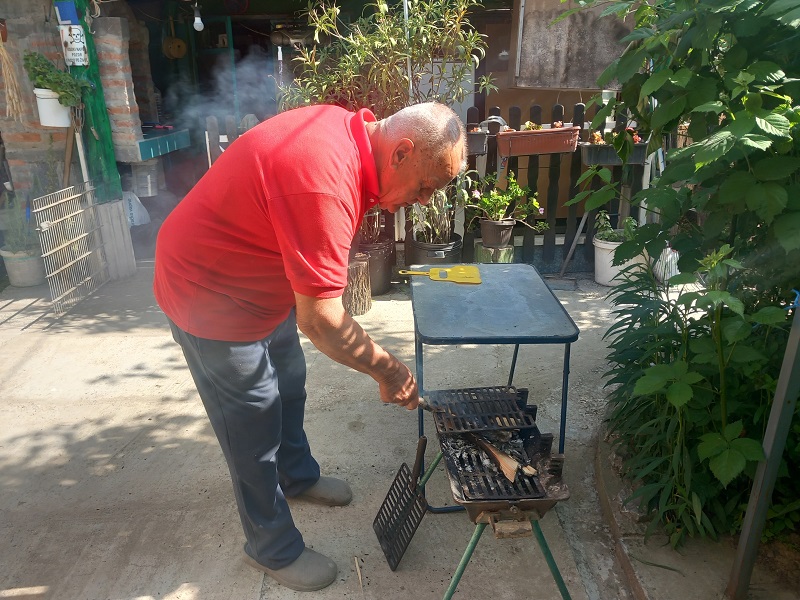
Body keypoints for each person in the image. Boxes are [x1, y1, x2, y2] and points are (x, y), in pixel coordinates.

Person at [153, 101, 466, 592]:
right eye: (426, 186)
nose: (425, 201)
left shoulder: (353, 138)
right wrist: (389, 371)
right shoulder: (322, 180)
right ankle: (270, 547)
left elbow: (312, 299)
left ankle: (296, 477)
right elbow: (321, 320)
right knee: (251, 428)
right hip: (208, 292)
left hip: (263, 280)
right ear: (401, 152)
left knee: (290, 382)